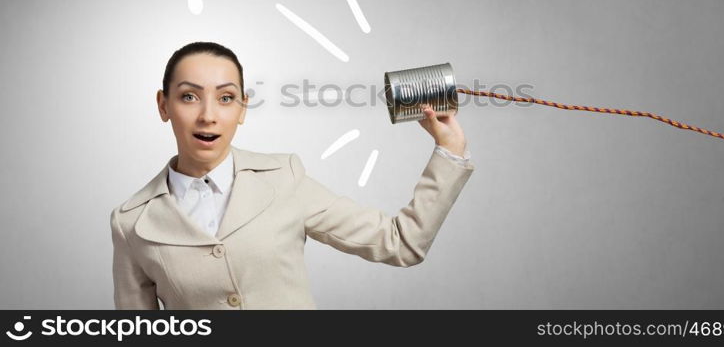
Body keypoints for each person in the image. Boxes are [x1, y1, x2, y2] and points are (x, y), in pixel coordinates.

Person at [110, 41, 475, 309]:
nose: (208, 115)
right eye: (189, 97)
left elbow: (400, 242)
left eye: (225, 98)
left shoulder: (284, 178)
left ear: (242, 108)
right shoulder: (132, 223)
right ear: (164, 105)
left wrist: (450, 151)